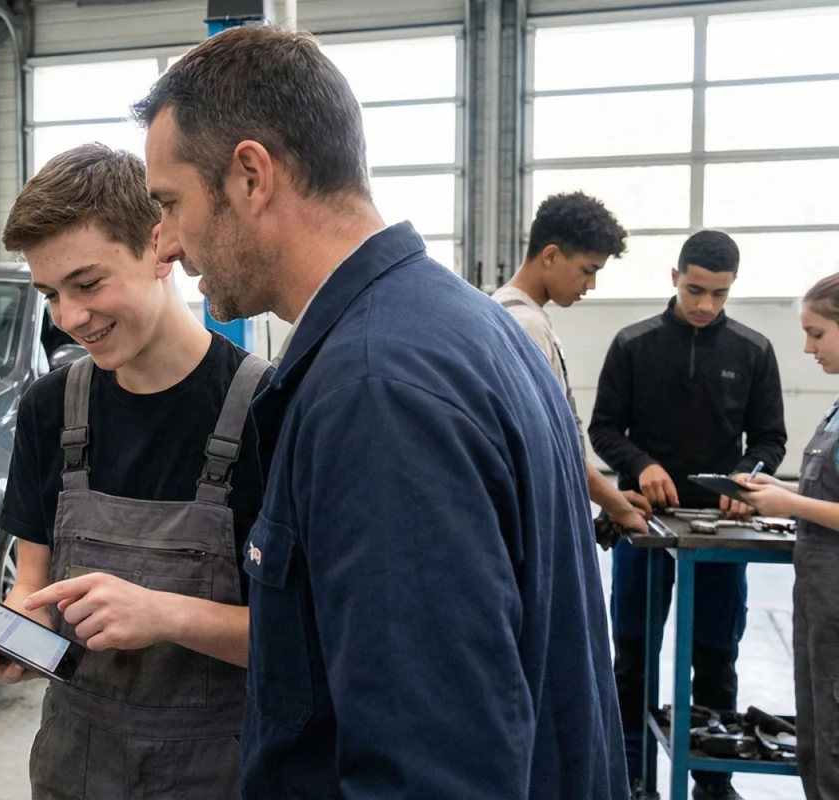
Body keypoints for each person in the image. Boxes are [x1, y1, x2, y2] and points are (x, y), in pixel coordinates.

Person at [129, 24, 625, 798]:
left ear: (251, 175)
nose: (163, 246)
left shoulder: (375, 389)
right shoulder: (458, 324)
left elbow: (431, 769)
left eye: (170, 203)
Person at [0, 143, 270, 800]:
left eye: (88, 283)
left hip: (220, 773)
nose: (70, 318)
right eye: (50, 293)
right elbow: (34, 589)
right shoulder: (51, 409)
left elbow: (308, 645)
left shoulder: (269, 412)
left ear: (160, 247)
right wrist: (15, 636)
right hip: (75, 767)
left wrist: (166, 614)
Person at [589, 229, 787, 800]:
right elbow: (604, 428)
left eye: (719, 295)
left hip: (725, 532)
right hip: (641, 524)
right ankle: (628, 772)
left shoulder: (753, 351)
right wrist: (640, 462)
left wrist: (747, 473)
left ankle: (713, 780)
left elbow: (770, 437)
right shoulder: (633, 343)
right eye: (696, 289)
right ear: (674, 277)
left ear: (731, 290)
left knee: (716, 658)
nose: (705, 305)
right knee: (633, 656)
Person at [734, 272, 839, 800]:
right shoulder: (837, 409)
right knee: (816, 740)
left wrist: (790, 504)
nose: (807, 346)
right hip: (820, 602)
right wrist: (781, 488)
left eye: (817, 333)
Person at [494, 191, 651, 536]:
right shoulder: (526, 325)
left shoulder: (510, 314)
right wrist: (618, 507)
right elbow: (552, 442)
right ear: (550, 255)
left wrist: (612, 498)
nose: (591, 285)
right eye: (587, 270)